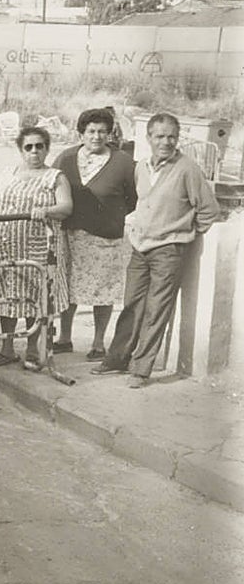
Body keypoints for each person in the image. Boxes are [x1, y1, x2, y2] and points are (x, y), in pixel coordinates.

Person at [93, 113, 220, 388]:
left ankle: (140, 370)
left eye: (172, 136)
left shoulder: (188, 169)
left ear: (178, 138)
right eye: (160, 136)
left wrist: (181, 233)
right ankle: (117, 359)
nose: (166, 142)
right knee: (131, 305)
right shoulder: (141, 167)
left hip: (169, 251)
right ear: (148, 138)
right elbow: (142, 204)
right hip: (140, 247)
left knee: (156, 310)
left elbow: (209, 211)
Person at [0, 126, 72, 372]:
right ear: (20, 149)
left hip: (37, 246)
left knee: (34, 297)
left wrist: (46, 211)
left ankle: (32, 348)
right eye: (28, 147)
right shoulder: (8, 173)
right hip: (5, 244)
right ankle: (7, 349)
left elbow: (66, 207)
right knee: (5, 297)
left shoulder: (55, 177)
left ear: (47, 148)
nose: (34, 151)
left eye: (39, 146)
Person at [52, 108, 138, 360]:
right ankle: (64, 338)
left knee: (104, 290)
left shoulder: (123, 162)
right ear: (81, 134)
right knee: (68, 287)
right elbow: (52, 187)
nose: (97, 136)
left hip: (106, 238)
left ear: (109, 133)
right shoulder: (66, 158)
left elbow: (133, 198)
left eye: (102, 131)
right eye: (91, 131)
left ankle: (98, 342)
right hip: (70, 235)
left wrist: (110, 215)